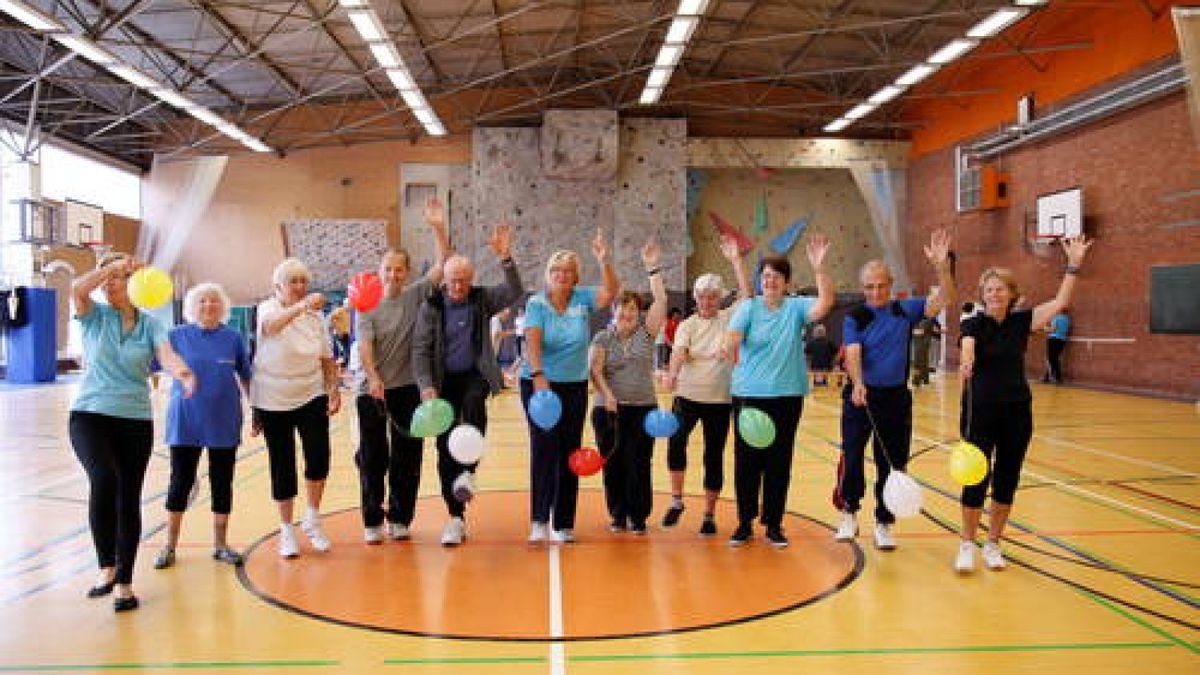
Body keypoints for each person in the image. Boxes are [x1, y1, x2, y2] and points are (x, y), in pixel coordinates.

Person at [955, 236, 1093, 573]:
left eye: (1000, 289)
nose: (994, 294)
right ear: (982, 295)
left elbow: (1060, 301)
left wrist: (1073, 264)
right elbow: (968, 344)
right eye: (989, 289)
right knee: (975, 478)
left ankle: (993, 544)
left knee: (1007, 478)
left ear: (1011, 294)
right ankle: (967, 544)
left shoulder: (1022, 322)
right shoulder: (974, 322)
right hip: (980, 412)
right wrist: (967, 360)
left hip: (1016, 412)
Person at [69, 252, 195, 611]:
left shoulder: (150, 324)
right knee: (104, 479)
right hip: (90, 415)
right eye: (106, 279)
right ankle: (105, 565)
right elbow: (78, 289)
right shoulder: (94, 317)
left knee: (129, 497)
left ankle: (124, 583)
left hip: (134, 419)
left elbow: (166, 354)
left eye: (118, 279)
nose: (109, 285)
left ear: (134, 283)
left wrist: (183, 373)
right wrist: (111, 266)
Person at [834, 230, 955, 550]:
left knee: (893, 462)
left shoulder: (906, 308)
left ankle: (884, 522)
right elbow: (854, 352)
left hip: (896, 398)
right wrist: (858, 383)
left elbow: (945, 299)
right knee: (853, 455)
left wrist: (943, 268)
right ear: (863, 289)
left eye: (881, 286)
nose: (875, 292)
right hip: (861, 395)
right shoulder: (855, 316)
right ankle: (849, 512)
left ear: (891, 286)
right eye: (869, 287)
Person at [412, 223, 522, 546]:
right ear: (444, 280)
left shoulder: (481, 299)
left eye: (463, 279)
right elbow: (420, 349)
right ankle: (455, 517)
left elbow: (513, 290)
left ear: (471, 279)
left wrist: (506, 259)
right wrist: (426, 387)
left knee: (474, 407)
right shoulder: (431, 307)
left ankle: (468, 473)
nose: (458, 285)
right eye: (452, 280)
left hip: (474, 375)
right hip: (442, 382)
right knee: (445, 448)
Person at [725, 235, 834, 548]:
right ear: (760, 281)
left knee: (778, 462)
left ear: (786, 282)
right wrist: (728, 344)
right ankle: (744, 522)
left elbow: (825, 304)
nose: (769, 281)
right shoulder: (749, 307)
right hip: (749, 396)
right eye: (765, 276)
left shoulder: (796, 307)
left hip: (786, 397)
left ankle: (773, 523)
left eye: (776, 276)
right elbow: (733, 335)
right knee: (747, 462)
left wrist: (820, 268)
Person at [355, 197, 451, 544]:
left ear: (407, 272)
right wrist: (375, 377)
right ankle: (371, 520)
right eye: (387, 269)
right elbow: (365, 345)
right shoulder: (366, 304)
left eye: (399, 269)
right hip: (373, 391)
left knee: (407, 457)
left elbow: (443, 263)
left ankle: (399, 518)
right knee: (372, 456)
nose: (393, 274)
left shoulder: (417, 294)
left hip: (408, 389)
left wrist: (437, 227)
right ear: (379, 272)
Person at [522, 231, 619, 544]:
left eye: (567, 271)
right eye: (556, 271)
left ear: (575, 277)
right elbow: (533, 340)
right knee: (543, 448)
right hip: (540, 386)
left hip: (574, 386)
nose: (561, 276)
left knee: (569, 451)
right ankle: (539, 519)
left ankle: (563, 522)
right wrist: (538, 377)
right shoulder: (536, 303)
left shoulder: (583, 299)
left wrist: (604, 261)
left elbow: (611, 292)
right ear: (548, 275)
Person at [154, 282, 252, 570]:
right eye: (202, 301)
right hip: (186, 421)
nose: (209, 306)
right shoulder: (175, 336)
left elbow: (246, 375)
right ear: (192, 307)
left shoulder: (233, 338)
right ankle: (169, 545)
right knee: (180, 481)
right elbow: (151, 366)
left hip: (224, 419)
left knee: (223, 482)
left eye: (214, 301)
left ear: (223, 307)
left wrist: (255, 408)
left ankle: (221, 545)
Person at [251, 257, 342, 558]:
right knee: (283, 463)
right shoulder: (267, 308)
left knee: (319, 457)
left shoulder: (316, 318)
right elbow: (271, 327)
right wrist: (302, 307)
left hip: (310, 393)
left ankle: (313, 519)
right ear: (278, 286)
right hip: (273, 397)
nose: (300, 287)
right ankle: (286, 530)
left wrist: (333, 388)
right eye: (294, 281)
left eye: (303, 281)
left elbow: (327, 357)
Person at [660, 236, 751, 534]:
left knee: (714, 455)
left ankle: (709, 514)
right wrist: (672, 375)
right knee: (676, 444)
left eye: (712, 296)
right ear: (696, 298)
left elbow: (748, 298)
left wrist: (736, 261)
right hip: (687, 396)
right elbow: (677, 353)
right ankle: (676, 500)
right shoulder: (687, 325)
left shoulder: (728, 319)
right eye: (702, 296)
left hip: (720, 400)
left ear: (719, 298)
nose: (707, 301)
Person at [589, 242, 668, 535]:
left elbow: (660, 301)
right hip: (608, 411)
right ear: (614, 312)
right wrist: (609, 397)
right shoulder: (602, 338)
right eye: (622, 311)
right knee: (613, 464)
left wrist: (652, 268)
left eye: (633, 310)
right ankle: (618, 515)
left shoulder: (646, 334)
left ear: (638, 313)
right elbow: (595, 372)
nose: (627, 315)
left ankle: (639, 517)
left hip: (642, 410)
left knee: (639, 463)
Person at [910, 316, 942, 387]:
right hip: (924, 340)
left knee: (918, 361)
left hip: (921, 341)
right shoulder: (929, 319)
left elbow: (919, 332)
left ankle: (916, 380)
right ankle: (924, 379)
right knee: (923, 360)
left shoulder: (923, 320)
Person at [1044, 308, 1070, 384]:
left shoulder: (1056, 318)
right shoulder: (1067, 320)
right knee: (1055, 358)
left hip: (1053, 339)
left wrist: (1045, 328)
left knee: (1051, 358)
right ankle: (1049, 376)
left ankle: (1054, 376)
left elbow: (1052, 330)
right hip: (1062, 340)